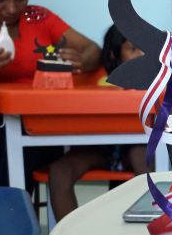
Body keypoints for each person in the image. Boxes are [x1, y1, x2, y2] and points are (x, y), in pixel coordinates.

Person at [0, 0, 102, 191]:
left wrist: (80, 61)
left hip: (38, 126)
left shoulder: (40, 19)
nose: (12, 8)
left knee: (20, 160)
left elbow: (92, 49)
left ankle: (17, 219)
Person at [48, 25, 148, 221]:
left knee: (144, 162)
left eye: (145, 48)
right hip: (100, 150)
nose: (141, 54)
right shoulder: (103, 83)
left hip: (136, 147)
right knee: (59, 172)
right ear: (114, 54)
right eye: (133, 49)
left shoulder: (157, 80)